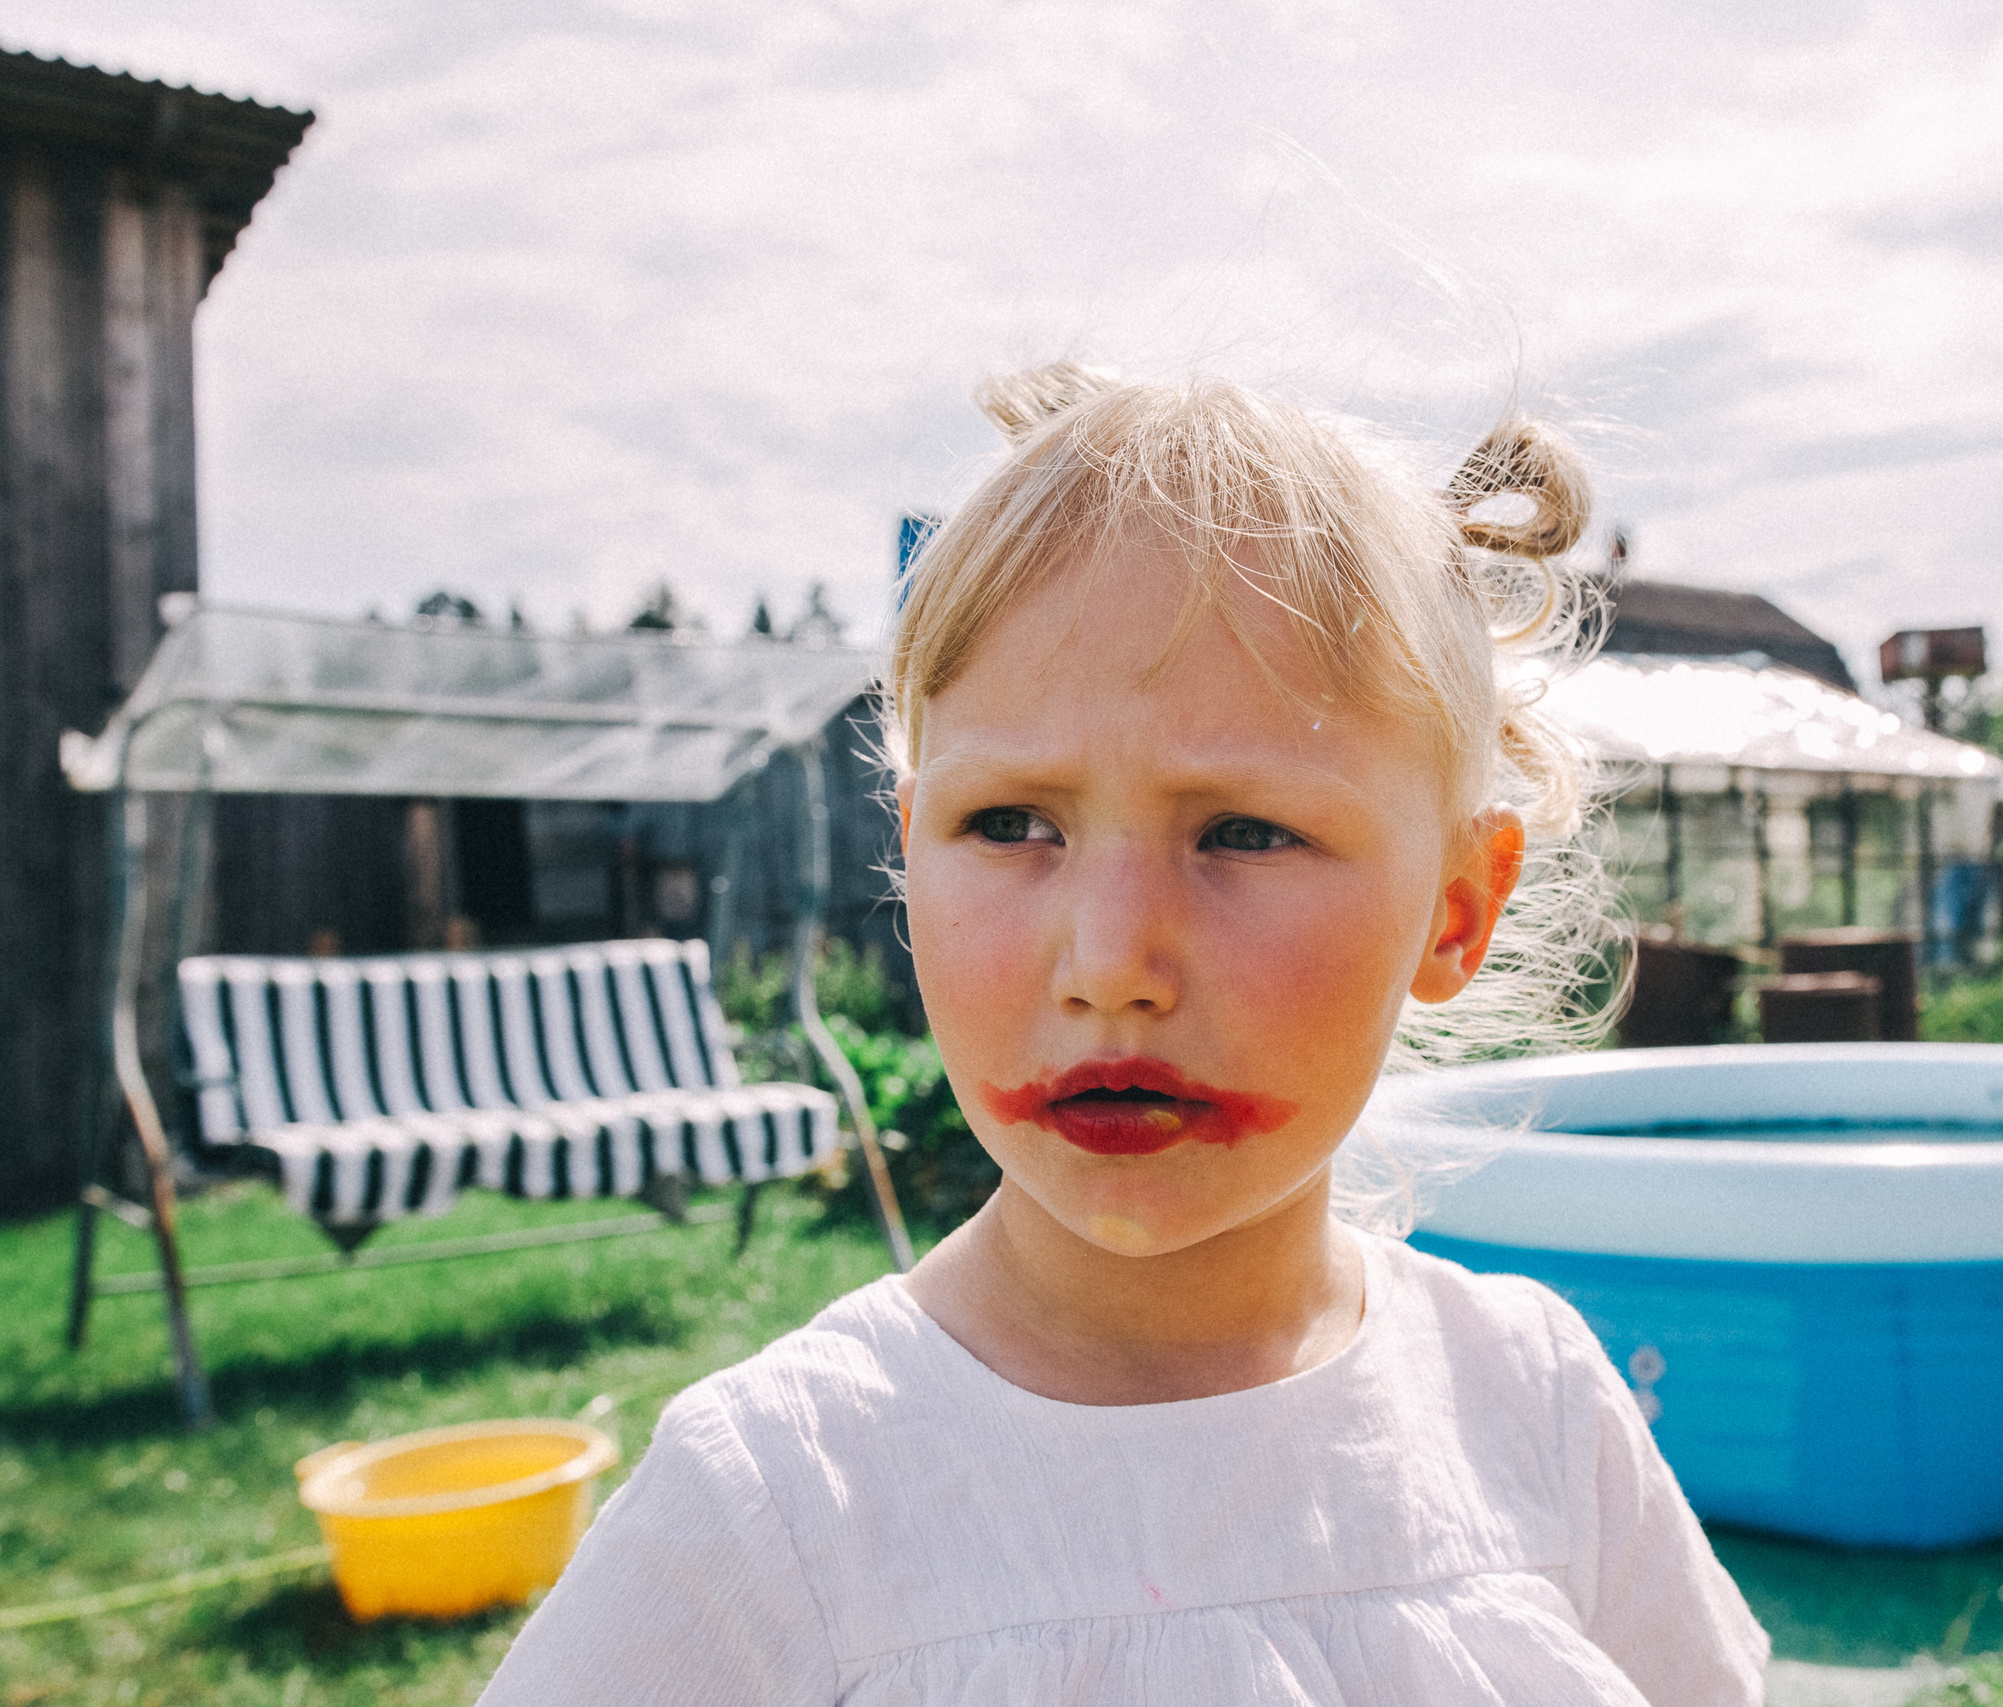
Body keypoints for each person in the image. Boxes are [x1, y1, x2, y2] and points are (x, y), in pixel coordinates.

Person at [479, 365, 1770, 1706]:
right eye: (1011, 826)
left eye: (1245, 833)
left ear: (1454, 911)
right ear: (912, 857)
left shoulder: (1537, 1409)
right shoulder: (774, 1511)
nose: (1110, 965)